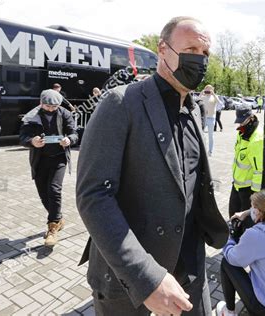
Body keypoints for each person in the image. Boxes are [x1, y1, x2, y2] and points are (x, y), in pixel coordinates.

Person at [76, 16, 228, 315]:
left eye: (204, 54)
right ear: (162, 49)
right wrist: (147, 278)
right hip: (133, 282)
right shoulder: (121, 104)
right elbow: (94, 197)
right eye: (191, 49)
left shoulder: (193, 109)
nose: (198, 59)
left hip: (190, 269)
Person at [19, 89, 78, 246]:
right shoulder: (32, 116)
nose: (51, 109)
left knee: (54, 189)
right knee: (43, 194)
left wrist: (69, 140)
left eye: (54, 107)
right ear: (41, 103)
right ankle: (58, 218)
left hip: (59, 158)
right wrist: (32, 141)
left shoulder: (65, 113)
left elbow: (74, 133)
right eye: (47, 106)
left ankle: (52, 227)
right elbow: (22, 137)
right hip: (40, 159)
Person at [229, 105, 264, 218]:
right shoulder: (243, 131)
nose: (240, 124)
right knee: (233, 215)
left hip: (247, 190)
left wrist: (255, 195)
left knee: (245, 220)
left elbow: (258, 170)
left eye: (242, 121)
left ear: (251, 118)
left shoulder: (256, 139)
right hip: (237, 184)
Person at [200, 84, 223, 156]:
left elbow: (221, 104)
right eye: (206, 89)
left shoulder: (214, 97)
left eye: (209, 89)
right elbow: (196, 102)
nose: (208, 91)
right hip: (203, 118)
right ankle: (202, 150)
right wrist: (201, 93)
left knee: (211, 136)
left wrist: (214, 94)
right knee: (201, 134)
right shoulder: (203, 97)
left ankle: (210, 151)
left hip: (211, 118)